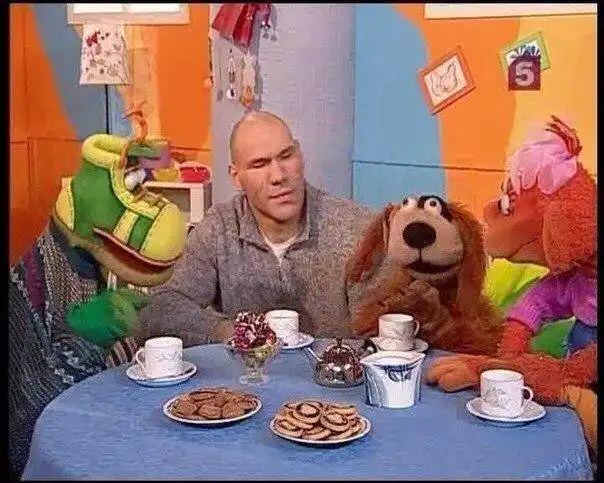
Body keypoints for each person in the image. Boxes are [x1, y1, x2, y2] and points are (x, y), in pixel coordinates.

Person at [138, 110, 377, 345]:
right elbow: (162, 307)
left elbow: (381, 335)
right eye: (259, 164)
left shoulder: (356, 228)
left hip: (334, 369)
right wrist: (230, 332)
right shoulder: (219, 228)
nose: (278, 176)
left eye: (286, 156)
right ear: (236, 177)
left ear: (300, 156)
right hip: (246, 370)